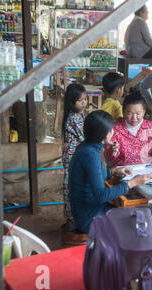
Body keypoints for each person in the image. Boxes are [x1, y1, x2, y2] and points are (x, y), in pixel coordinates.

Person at [68, 110, 152, 234]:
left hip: (86, 210)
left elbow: (94, 176)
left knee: (130, 210)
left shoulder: (86, 147)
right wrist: (132, 183)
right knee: (141, 216)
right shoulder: (90, 155)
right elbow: (101, 196)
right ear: (103, 135)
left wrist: (114, 171)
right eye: (111, 129)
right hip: (88, 217)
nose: (113, 132)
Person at [104, 88, 152, 167]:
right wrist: (112, 151)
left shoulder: (151, 127)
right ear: (123, 112)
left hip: (147, 171)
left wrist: (149, 169)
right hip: (123, 172)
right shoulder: (115, 129)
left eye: (138, 114)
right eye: (129, 113)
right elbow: (108, 158)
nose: (134, 118)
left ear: (144, 112)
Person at [61, 83, 87, 233]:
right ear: (72, 102)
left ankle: (73, 217)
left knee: (73, 183)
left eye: (85, 98)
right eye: (79, 100)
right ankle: (71, 218)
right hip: (73, 155)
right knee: (70, 184)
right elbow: (84, 137)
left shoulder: (78, 114)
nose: (83, 102)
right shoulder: (74, 117)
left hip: (75, 153)